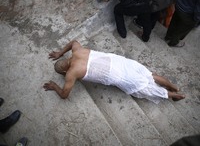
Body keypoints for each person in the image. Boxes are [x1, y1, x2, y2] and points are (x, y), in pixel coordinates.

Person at [43, 40, 185, 103]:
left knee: (144, 87)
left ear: (64, 72)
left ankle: (173, 95)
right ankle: (174, 86)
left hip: (119, 75)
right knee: (149, 75)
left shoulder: (71, 73)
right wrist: (60, 52)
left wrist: (55, 86)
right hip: (120, 62)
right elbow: (73, 41)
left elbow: (64, 95)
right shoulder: (77, 50)